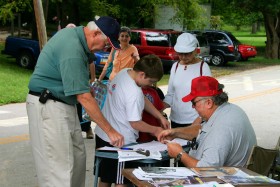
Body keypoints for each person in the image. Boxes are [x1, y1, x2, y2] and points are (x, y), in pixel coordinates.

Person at [26, 16, 124, 187]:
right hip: (49, 105)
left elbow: (79, 86)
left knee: (76, 161)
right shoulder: (72, 48)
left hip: (63, 103)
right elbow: (83, 97)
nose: (106, 48)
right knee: (60, 171)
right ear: (95, 34)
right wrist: (111, 131)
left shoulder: (78, 40)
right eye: (106, 43)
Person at [94, 55, 170, 187]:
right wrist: (156, 129)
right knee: (121, 180)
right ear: (142, 74)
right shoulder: (133, 92)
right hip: (120, 141)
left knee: (106, 177)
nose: (151, 85)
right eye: (151, 81)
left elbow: (142, 98)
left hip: (104, 133)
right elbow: (135, 123)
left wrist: (159, 116)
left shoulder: (126, 72)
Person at [158, 76, 257, 168]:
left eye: (194, 103)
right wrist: (176, 133)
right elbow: (202, 130)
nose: (193, 107)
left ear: (209, 103)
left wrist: (180, 154)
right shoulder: (228, 110)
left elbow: (207, 169)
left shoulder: (221, 128)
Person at [163, 33, 212, 128]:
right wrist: (158, 109)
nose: (183, 57)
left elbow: (209, 96)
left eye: (187, 53)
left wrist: (200, 118)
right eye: (180, 53)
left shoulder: (203, 67)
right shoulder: (175, 66)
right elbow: (171, 94)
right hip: (175, 119)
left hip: (196, 119)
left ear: (195, 50)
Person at [66, 22, 96, 139]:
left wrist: (92, 78)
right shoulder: (65, 46)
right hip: (68, 82)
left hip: (81, 81)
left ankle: (87, 128)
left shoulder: (83, 45)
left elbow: (91, 62)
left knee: (83, 106)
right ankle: (73, 130)